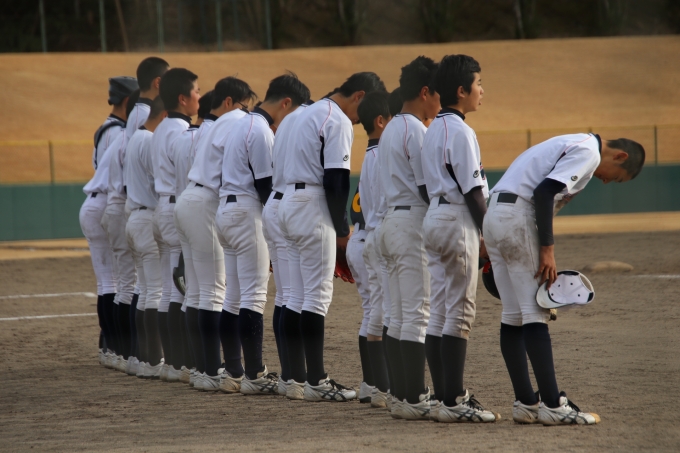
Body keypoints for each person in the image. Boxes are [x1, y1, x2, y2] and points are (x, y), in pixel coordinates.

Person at [484, 132, 644, 425]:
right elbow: (544, 193)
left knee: (513, 315)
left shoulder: (572, 143)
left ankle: (526, 402)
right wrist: (547, 249)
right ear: (619, 156)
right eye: (617, 177)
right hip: (517, 216)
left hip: (495, 214)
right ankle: (553, 405)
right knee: (535, 313)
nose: (607, 181)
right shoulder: (589, 151)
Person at [278, 72, 386, 402]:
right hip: (311, 204)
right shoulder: (335, 118)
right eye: (363, 110)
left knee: (294, 296)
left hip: (286, 201)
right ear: (359, 96)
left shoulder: (303, 112)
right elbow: (336, 180)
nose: (360, 119)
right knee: (316, 296)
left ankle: (294, 378)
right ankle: (316, 380)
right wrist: (341, 229)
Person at [216, 74, 310, 395]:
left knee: (232, 296)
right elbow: (265, 186)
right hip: (246, 212)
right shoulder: (260, 130)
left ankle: (233, 371)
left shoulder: (240, 122)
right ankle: (255, 374)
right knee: (254, 296)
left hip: (226, 209)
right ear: (286, 103)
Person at [421, 54, 499, 423]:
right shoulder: (461, 131)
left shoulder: (433, 128)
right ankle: (453, 401)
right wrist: (491, 235)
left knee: (439, 310)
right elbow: (473, 191)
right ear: (461, 90)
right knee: (459, 312)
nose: (482, 90)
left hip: (435, 217)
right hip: (456, 218)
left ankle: (442, 397)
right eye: (478, 84)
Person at [174, 77, 256, 391]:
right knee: (211, 290)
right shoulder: (235, 121)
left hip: (189, 199)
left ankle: (201, 369)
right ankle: (210, 371)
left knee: (197, 291)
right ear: (229, 101)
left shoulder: (214, 124)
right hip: (205, 201)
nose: (246, 110)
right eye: (244, 103)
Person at [378, 56, 440, 420]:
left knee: (400, 314)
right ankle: (415, 397)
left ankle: (402, 396)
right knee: (417, 313)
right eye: (438, 93)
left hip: (391, 221)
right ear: (425, 92)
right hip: (411, 221)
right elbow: (426, 187)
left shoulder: (391, 127)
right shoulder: (416, 130)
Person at [81, 76, 137, 368]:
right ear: (129, 101)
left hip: (95, 203)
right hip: (107, 203)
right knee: (120, 282)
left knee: (108, 282)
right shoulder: (120, 132)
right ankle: (116, 345)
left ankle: (109, 345)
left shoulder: (105, 127)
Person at [263, 97, 313, 397]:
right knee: (297, 296)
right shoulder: (309, 120)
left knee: (285, 295)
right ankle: (298, 377)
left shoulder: (285, 123)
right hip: (292, 203)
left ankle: (289, 375)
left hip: (277, 202)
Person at [152, 68, 199, 382]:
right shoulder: (182, 130)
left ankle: (173, 363)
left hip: (163, 204)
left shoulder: (161, 127)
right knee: (183, 289)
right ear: (183, 98)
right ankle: (183, 363)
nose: (199, 96)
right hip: (176, 206)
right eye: (196, 91)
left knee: (171, 289)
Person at [348, 91, 392, 405]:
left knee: (373, 311)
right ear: (380, 121)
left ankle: (372, 383)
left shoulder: (370, 155)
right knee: (382, 312)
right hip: (373, 239)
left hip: (363, 238)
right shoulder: (382, 156)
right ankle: (381, 386)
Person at [125, 96, 168, 379]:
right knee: (155, 291)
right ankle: (153, 360)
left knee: (144, 289)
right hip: (146, 217)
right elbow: (160, 181)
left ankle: (142, 358)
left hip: (134, 218)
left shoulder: (135, 138)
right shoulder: (149, 140)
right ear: (163, 115)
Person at [100, 89, 140, 373]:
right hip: (121, 207)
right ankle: (125, 352)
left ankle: (116, 349)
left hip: (112, 206)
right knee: (131, 283)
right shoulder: (131, 139)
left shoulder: (121, 137)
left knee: (122, 283)